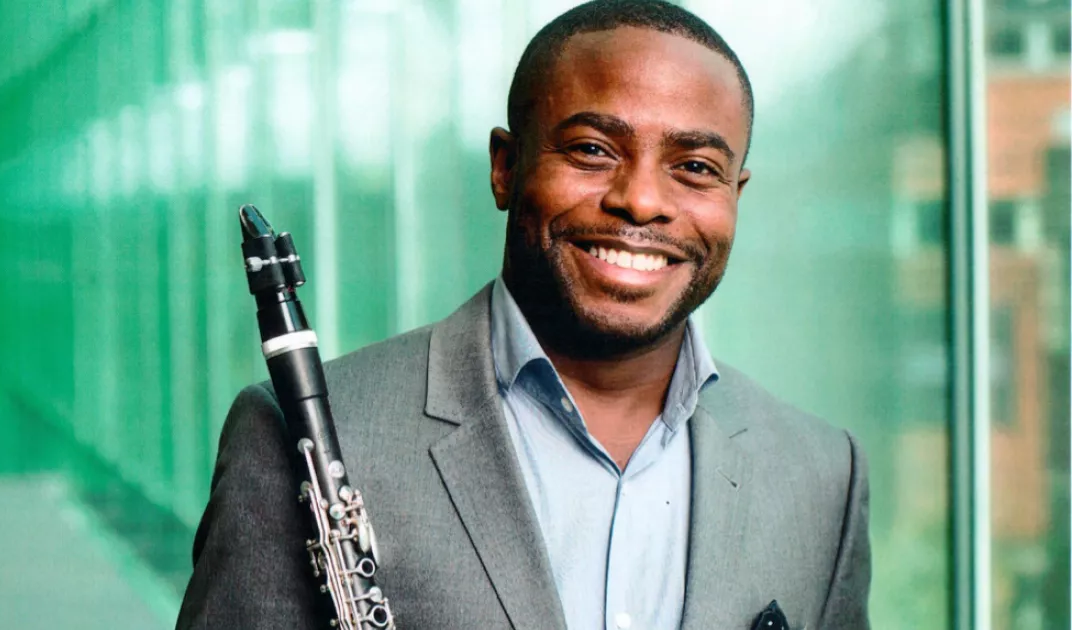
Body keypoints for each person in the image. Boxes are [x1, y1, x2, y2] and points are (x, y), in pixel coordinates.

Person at [176, 1, 872, 629]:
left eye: (694, 167)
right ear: (506, 168)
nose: (640, 201)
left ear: (736, 193)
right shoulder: (297, 432)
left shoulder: (821, 475)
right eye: (593, 151)